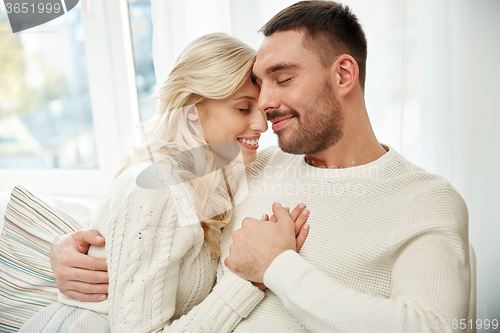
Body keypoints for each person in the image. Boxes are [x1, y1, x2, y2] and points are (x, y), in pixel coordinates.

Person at [51, 1, 471, 332]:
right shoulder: (243, 163)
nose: (266, 106)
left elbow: (433, 328)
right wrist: (73, 248)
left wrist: (277, 267)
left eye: (282, 79)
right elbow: (141, 201)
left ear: (343, 75)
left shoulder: (422, 198)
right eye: (258, 86)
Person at [19, 32, 310, 332]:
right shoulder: (158, 189)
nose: (262, 125)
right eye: (242, 108)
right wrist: (248, 281)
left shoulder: (209, 180)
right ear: (193, 112)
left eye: (261, 109)